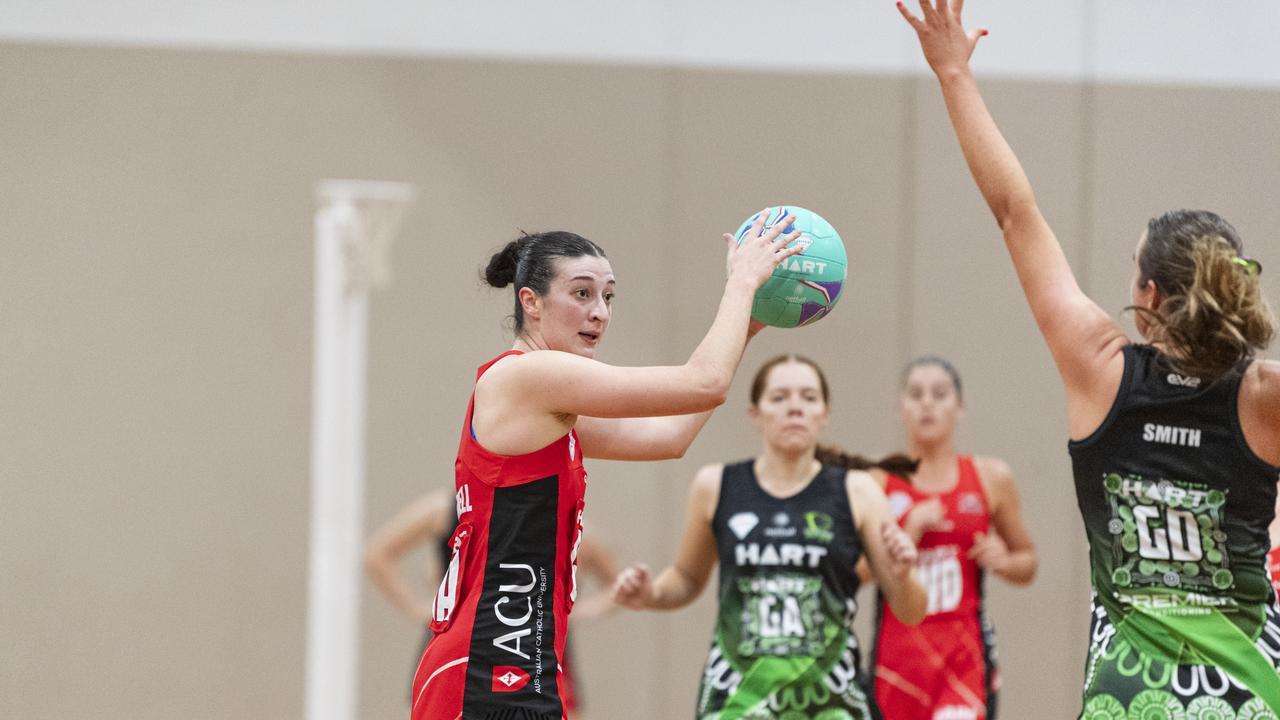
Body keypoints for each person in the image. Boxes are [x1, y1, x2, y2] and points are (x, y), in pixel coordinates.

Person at [897, 1, 1280, 715]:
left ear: (1148, 291)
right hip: (1242, 694)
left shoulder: (1101, 370)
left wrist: (953, 73)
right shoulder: (1263, 394)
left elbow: (1015, 211)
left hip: (1127, 690)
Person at [412, 216, 807, 720]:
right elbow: (704, 382)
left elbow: (670, 437)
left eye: (608, 297)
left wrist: (748, 323)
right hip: (487, 665)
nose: (598, 312)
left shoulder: (546, 404)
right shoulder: (529, 376)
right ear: (529, 302)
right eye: (581, 293)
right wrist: (742, 283)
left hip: (516, 662)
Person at [612, 354, 928, 719]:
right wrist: (649, 594)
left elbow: (911, 611)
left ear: (824, 412)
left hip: (830, 700)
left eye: (808, 397)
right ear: (755, 413)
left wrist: (904, 572)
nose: (795, 408)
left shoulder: (859, 492)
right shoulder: (715, 485)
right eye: (779, 398)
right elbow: (686, 577)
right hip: (738, 699)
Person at [871, 355, 1037, 720]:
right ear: (902, 407)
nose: (927, 403)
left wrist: (1004, 561)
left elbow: (1028, 562)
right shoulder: (877, 480)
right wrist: (907, 534)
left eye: (939, 394)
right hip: (898, 659)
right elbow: (854, 572)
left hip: (964, 655)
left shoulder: (990, 478)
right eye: (915, 394)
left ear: (959, 407)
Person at [364, 488, 619, 717]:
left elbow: (617, 584)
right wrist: (417, 607)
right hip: (459, 649)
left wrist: (581, 612)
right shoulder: (446, 510)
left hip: (536, 650)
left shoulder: (558, 520)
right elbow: (378, 555)